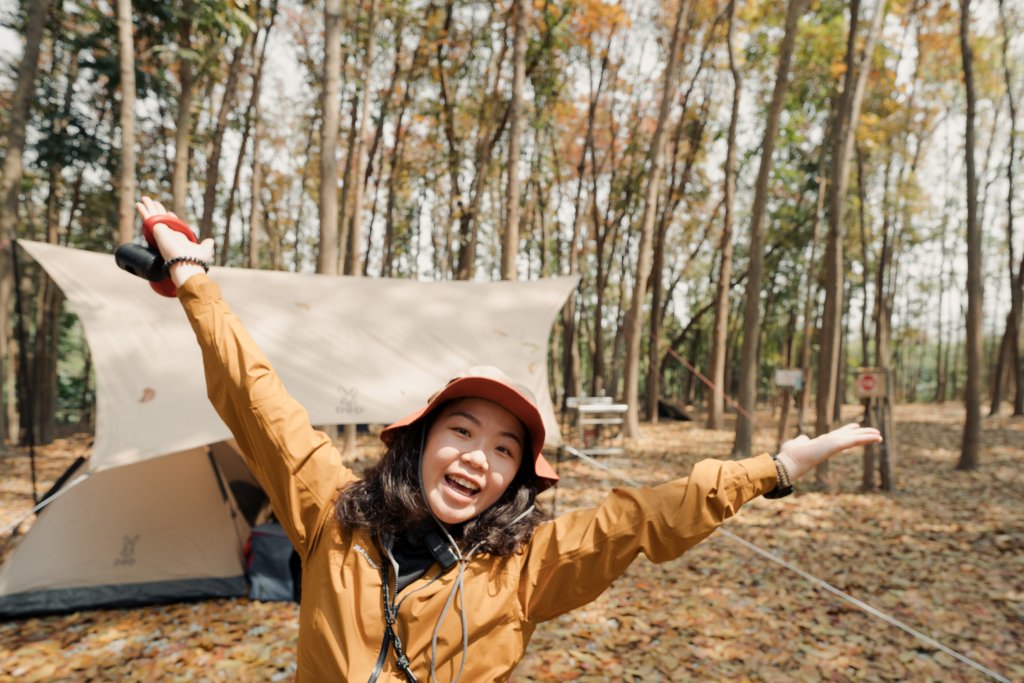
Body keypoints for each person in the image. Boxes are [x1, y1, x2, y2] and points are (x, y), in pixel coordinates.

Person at [134, 196, 883, 682]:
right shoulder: (334, 515)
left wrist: (776, 467)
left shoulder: (522, 571)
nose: (477, 457)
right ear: (418, 441)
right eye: (461, 430)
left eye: (504, 449)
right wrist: (195, 278)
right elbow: (255, 397)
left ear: (518, 478)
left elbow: (643, 519)